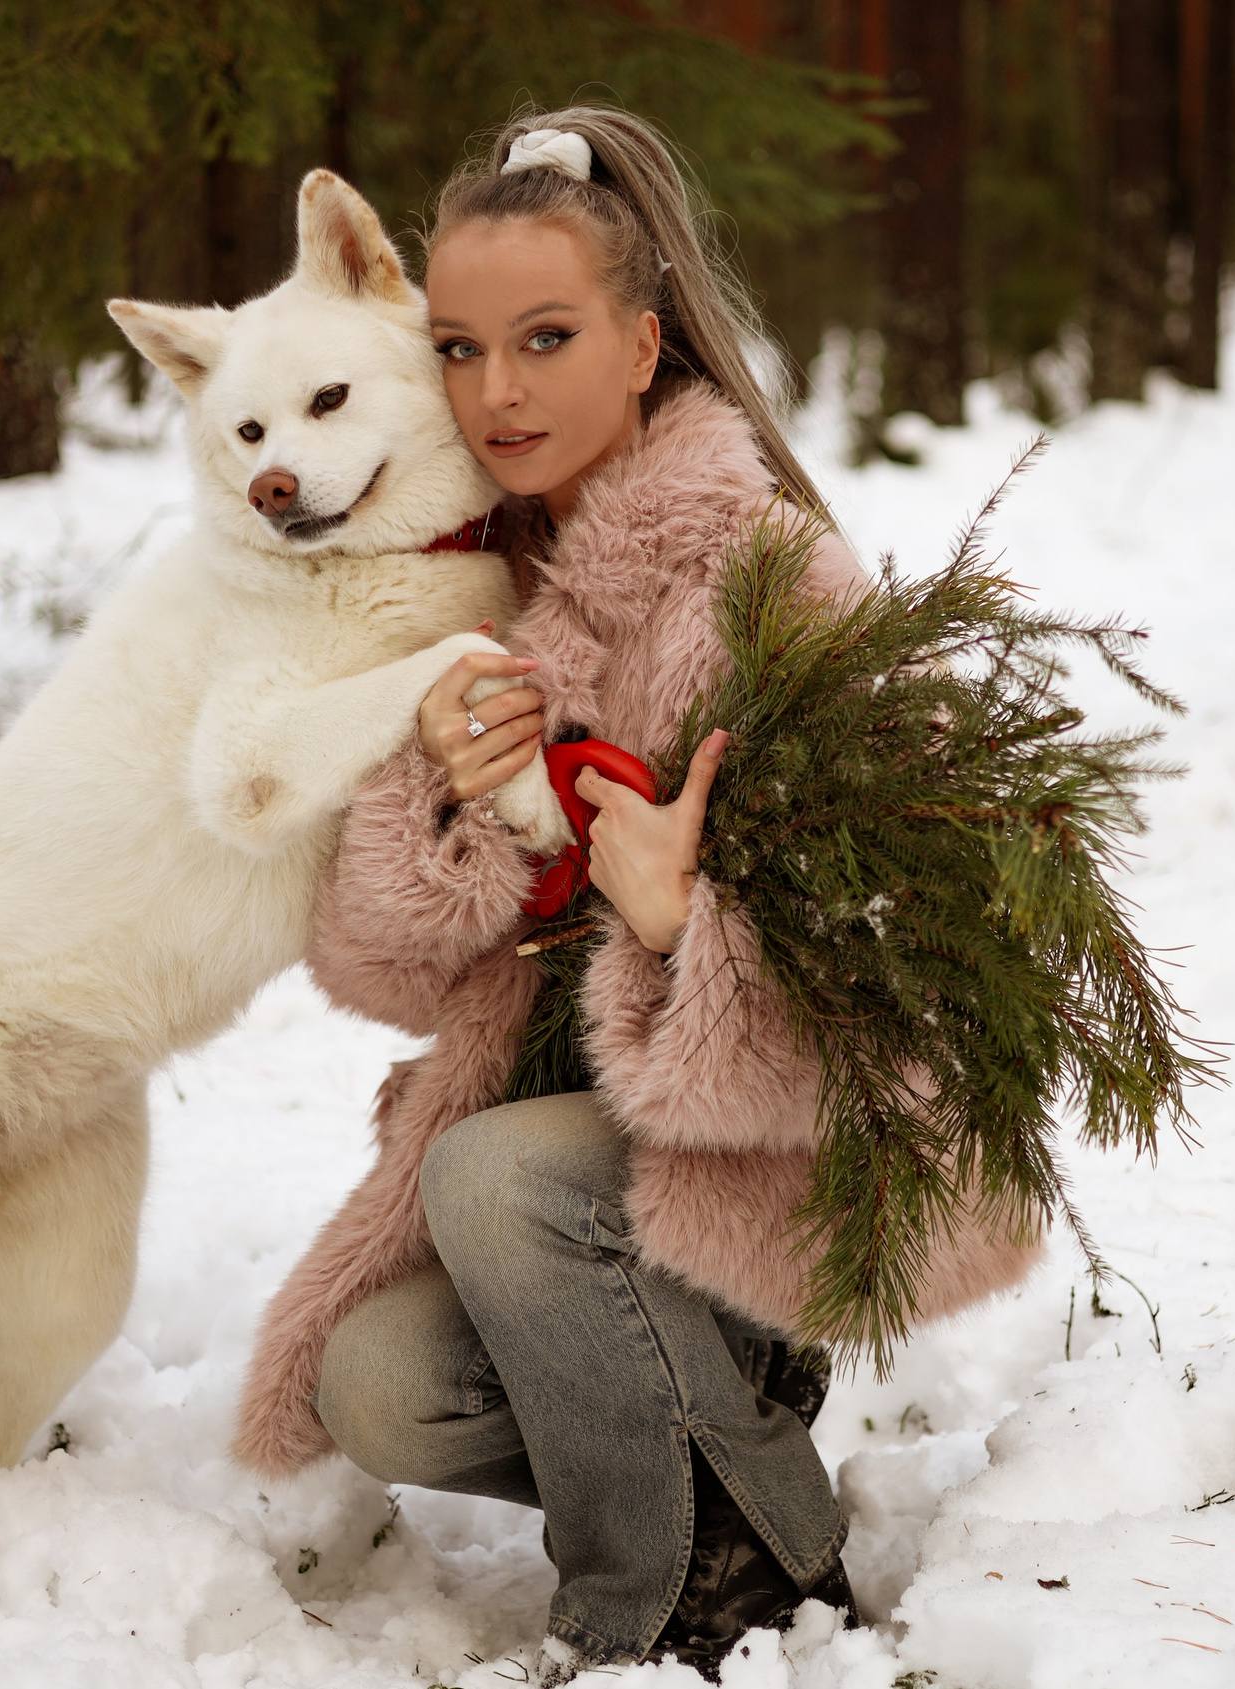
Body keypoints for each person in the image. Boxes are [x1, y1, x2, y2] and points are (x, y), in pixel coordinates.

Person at [233, 107, 1043, 1680]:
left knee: (491, 1179)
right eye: (460, 349)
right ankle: (747, 1471)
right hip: (573, 1189)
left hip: (770, 1161)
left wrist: (686, 931)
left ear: (647, 341)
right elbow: (379, 968)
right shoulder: (466, 588)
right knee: (378, 1382)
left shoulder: (768, 576)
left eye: (546, 338)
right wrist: (456, 807)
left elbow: (926, 968)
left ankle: (673, 1599)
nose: (499, 391)